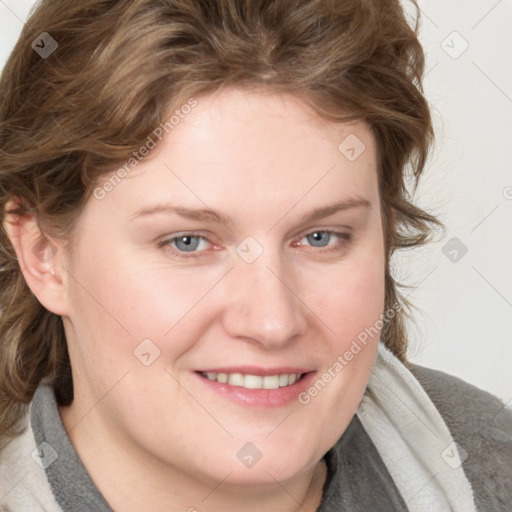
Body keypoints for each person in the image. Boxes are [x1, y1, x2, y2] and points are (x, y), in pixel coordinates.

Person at [0, 0, 510, 511]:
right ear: (45, 255)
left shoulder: (486, 462)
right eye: (188, 242)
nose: (272, 323)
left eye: (321, 237)